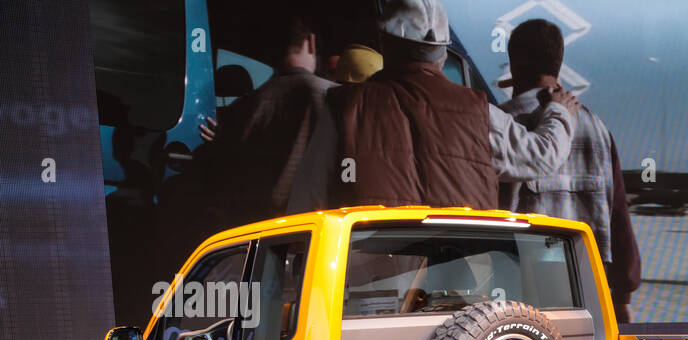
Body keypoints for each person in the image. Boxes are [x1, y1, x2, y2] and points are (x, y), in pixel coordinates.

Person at [287, 0, 579, 213]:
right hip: (463, 281)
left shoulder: (343, 108)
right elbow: (542, 156)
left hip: (368, 280)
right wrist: (559, 110)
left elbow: (307, 201)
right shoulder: (479, 112)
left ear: (385, 44)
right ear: (442, 53)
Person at [498, 19, 641, 321]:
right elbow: (617, 212)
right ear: (558, 62)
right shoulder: (597, 127)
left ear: (513, 64)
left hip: (518, 293)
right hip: (586, 292)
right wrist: (624, 289)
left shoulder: (502, 122)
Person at [199, 13, 337, 226]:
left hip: (258, 227)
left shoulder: (245, 106)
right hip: (316, 225)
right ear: (311, 41)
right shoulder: (336, 97)